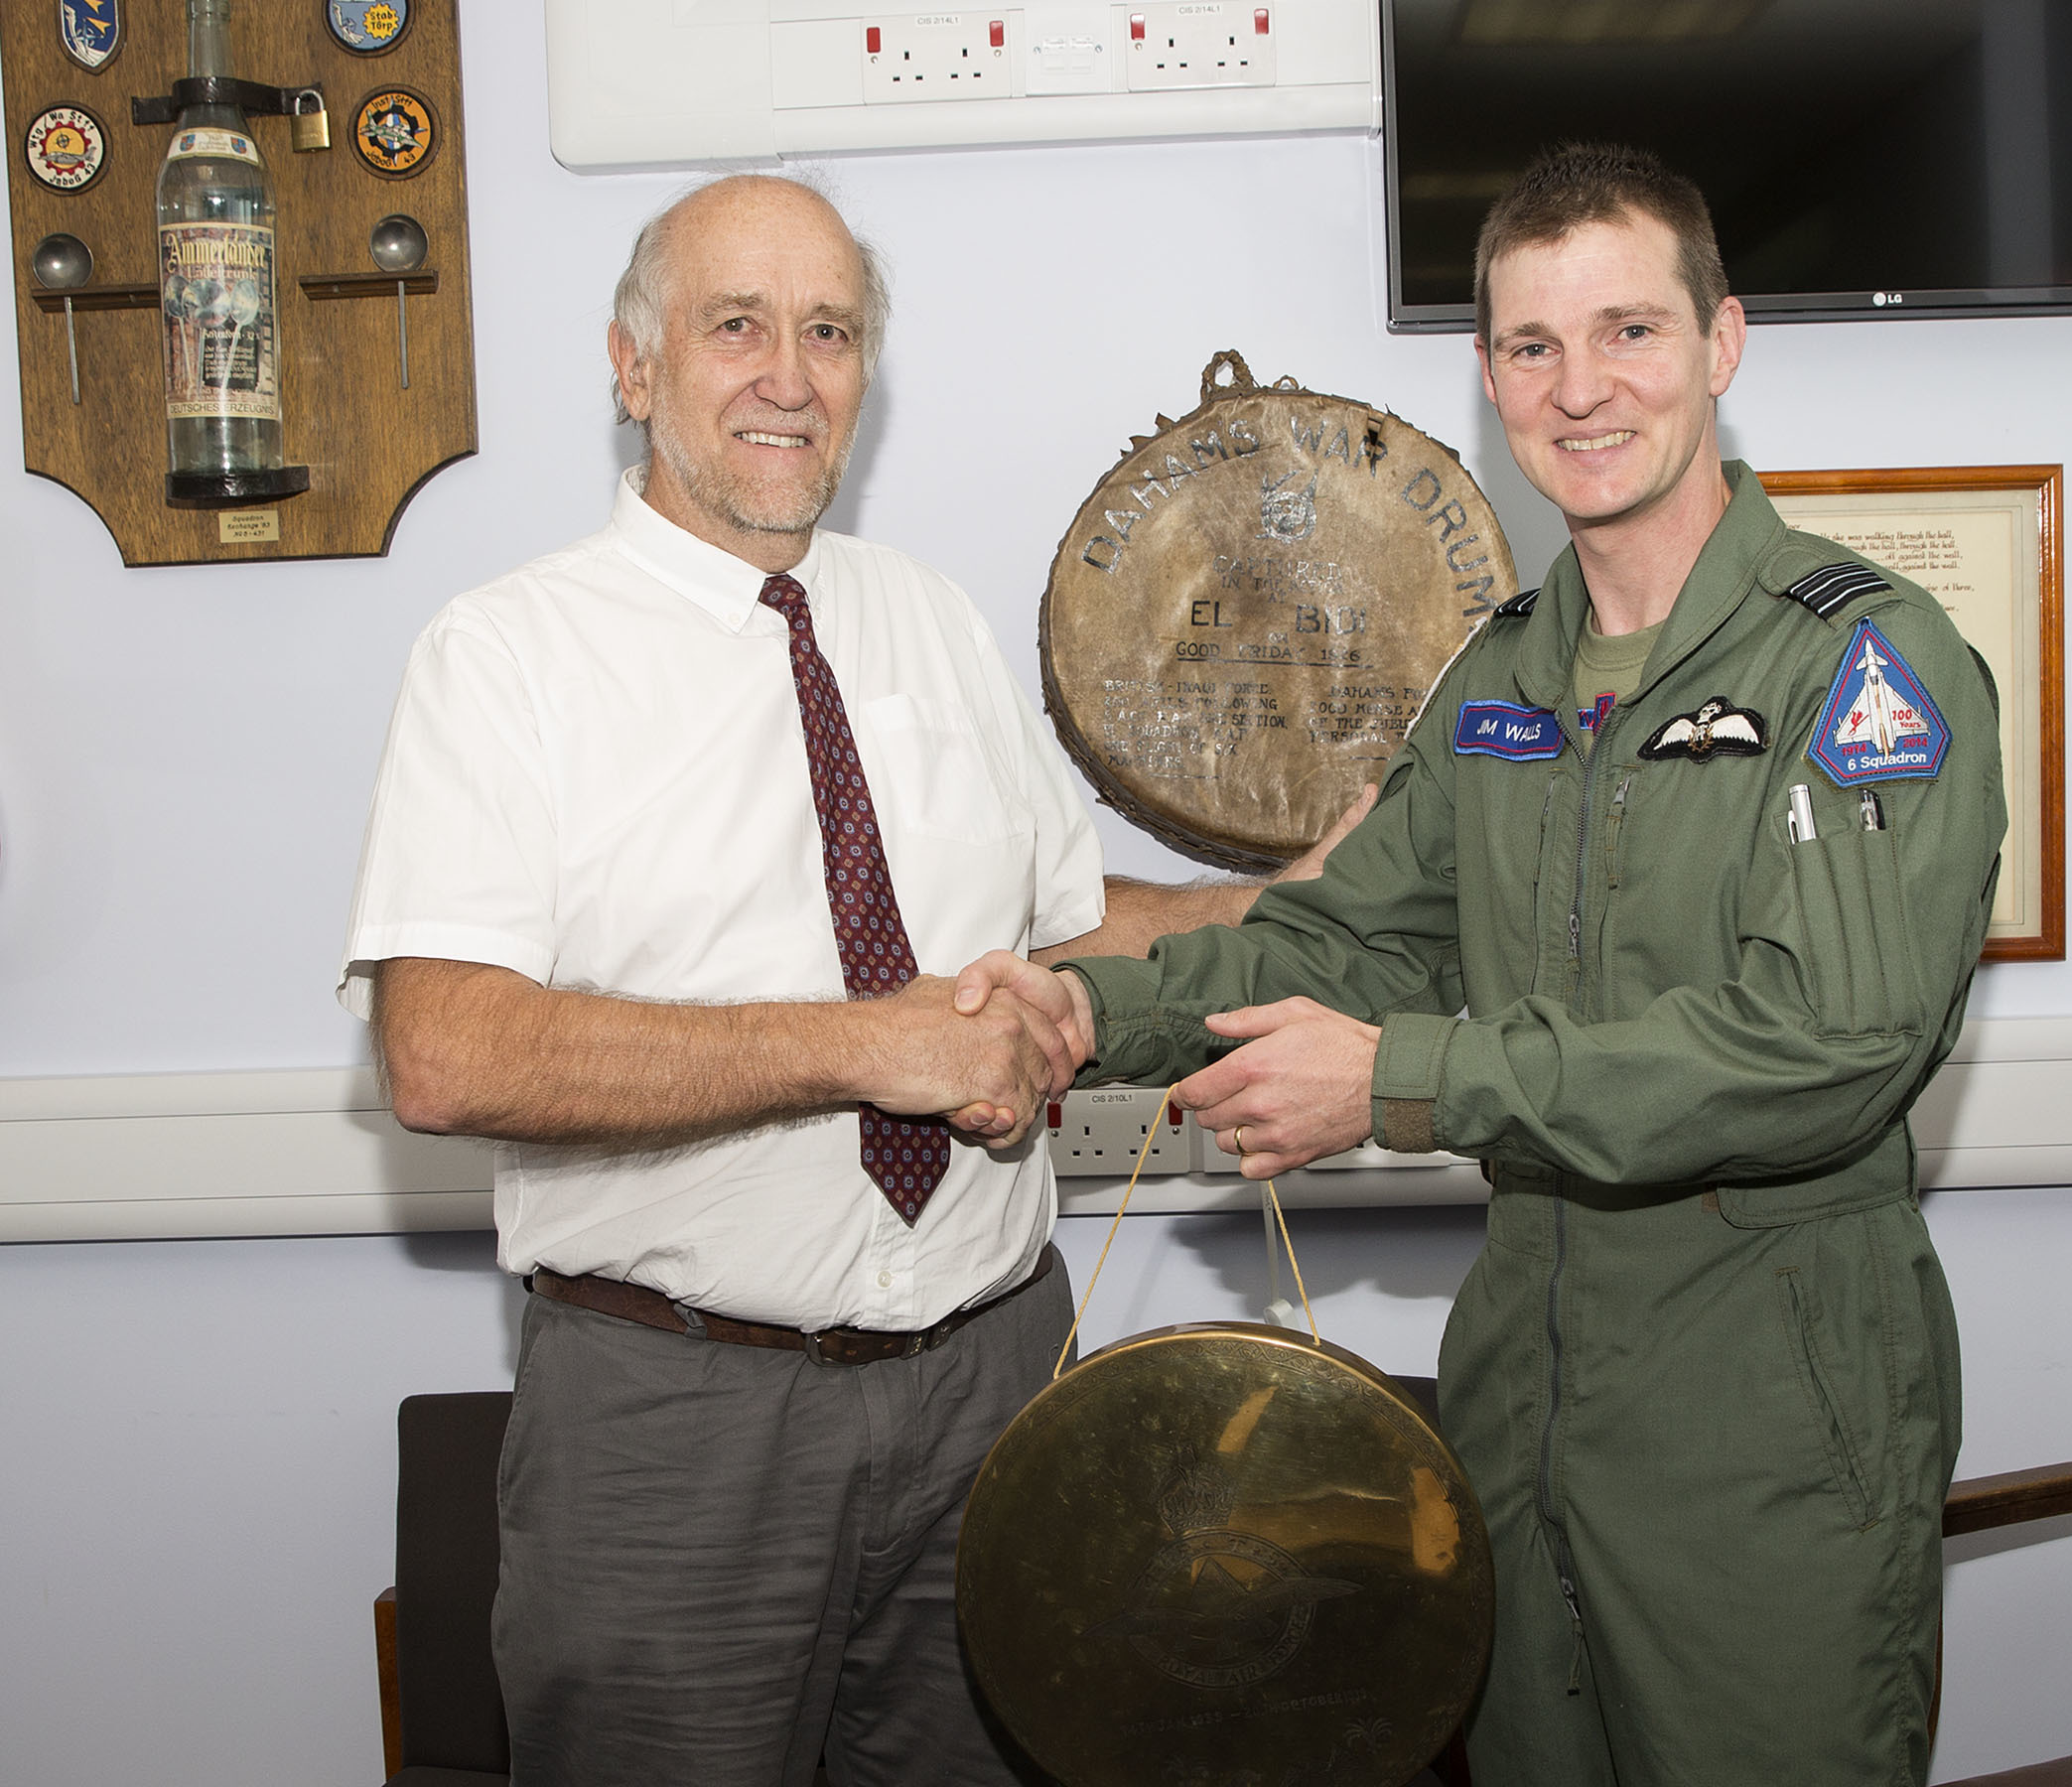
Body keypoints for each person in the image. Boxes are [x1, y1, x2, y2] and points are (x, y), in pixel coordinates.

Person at [966, 142, 2006, 1785]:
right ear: (1488, 378)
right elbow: (1348, 936)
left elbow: (1827, 1045)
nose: (1579, 390)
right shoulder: (1501, 680)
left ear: (1721, 345)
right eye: (1533, 347)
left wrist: (1403, 1080)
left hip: (1767, 1433)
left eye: (1629, 333)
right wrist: (1095, 1011)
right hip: (1519, 1414)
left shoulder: (1863, 662)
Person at [338, 173, 1361, 1787]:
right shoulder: (507, 657)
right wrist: (861, 1049)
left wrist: (1279, 899)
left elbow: (1067, 917)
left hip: (996, 1390)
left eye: (830, 331)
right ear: (632, 368)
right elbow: (445, 1053)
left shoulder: (930, 621)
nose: (787, 374)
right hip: (677, 1425)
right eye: (734, 325)